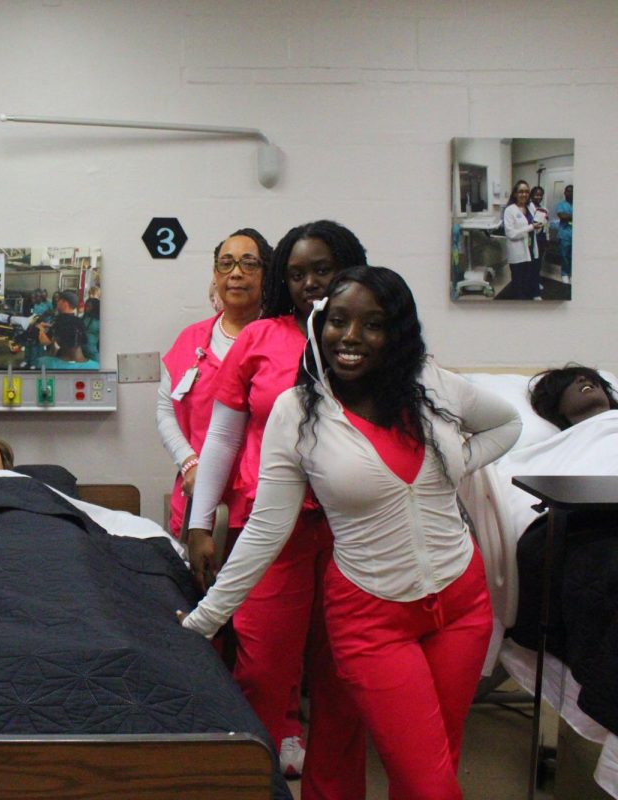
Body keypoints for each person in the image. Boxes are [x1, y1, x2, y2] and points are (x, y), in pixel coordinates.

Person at [181, 266, 521, 800]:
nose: (351, 337)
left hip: (461, 604)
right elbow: (267, 528)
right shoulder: (298, 412)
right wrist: (204, 621)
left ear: (397, 333)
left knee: (432, 768)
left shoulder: (432, 386)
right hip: (373, 619)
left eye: (373, 324)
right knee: (432, 785)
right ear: (320, 326)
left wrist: (460, 462)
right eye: (338, 321)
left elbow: (508, 424)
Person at [185, 220, 369, 794]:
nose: (310, 283)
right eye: (295, 273)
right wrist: (199, 521)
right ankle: (253, 786)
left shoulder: (371, 336)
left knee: (343, 680)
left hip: (354, 532)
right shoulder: (260, 338)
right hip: (269, 530)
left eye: (322, 270)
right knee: (262, 673)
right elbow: (221, 438)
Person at [157, 227, 271, 540]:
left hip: (261, 507)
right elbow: (166, 410)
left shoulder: (280, 340)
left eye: (249, 264)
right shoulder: (190, 340)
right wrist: (189, 463)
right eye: (226, 263)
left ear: (266, 275)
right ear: (215, 274)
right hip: (196, 499)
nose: (235, 273)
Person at [530, 364, 618, 429]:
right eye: (568, 381)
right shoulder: (562, 448)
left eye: (591, 378)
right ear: (556, 404)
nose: (583, 378)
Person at [503, 180, 543, 300]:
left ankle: (533, 294)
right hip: (517, 251)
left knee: (530, 275)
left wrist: (539, 225)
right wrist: (531, 227)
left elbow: (535, 224)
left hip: (531, 248)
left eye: (526, 191)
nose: (524, 194)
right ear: (515, 193)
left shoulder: (530, 206)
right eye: (521, 191)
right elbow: (511, 234)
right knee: (518, 279)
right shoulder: (510, 210)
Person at [556, 184, 573, 283]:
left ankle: (572, 273)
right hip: (565, 234)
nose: (570, 193)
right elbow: (562, 216)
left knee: (574, 255)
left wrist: (568, 216)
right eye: (568, 191)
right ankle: (565, 274)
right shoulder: (561, 204)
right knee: (564, 255)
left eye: (572, 191)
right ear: (565, 193)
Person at [81, 297, 100, 362]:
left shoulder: (99, 321)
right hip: (80, 351)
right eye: (86, 306)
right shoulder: (83, 317)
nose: (86, 308)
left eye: (89, 306)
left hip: (92, 351)